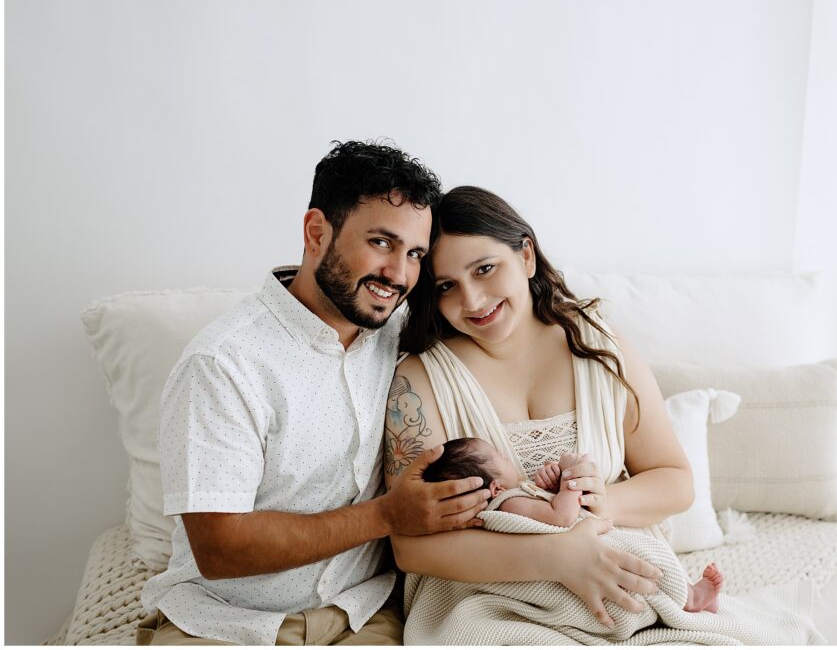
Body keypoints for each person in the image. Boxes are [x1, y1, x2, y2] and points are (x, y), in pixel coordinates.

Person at [136, 141, 493, 646]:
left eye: (414, 253)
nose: (399, 274)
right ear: (316, 232)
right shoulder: (222, 364)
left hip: (361, 614)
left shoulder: (399, 332)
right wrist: (387, 515)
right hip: (221, 624)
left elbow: (503, 325)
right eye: (381, 243)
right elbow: (220, 549)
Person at [383, 185, 696, 631]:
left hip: (617, 587)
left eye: (485, 269)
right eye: (447, 286)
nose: (472, 301)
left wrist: (602, 502)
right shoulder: (419, 381)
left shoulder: (600, 350)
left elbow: (676, 481)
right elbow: (411, 545)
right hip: (487, 604)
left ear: (526, 256)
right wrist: (557, 556)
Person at [423, 437, 724, 613]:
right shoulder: (509, 503)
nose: (507, 457)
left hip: (578, 550)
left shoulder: (515, 499)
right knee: (646, 554)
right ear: (496, 489)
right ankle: (691, 597)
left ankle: (687, 596)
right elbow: (561, 518)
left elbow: (545, 514)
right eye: (499, 457)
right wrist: (570, 478)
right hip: (579, 553)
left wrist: (550, 488)